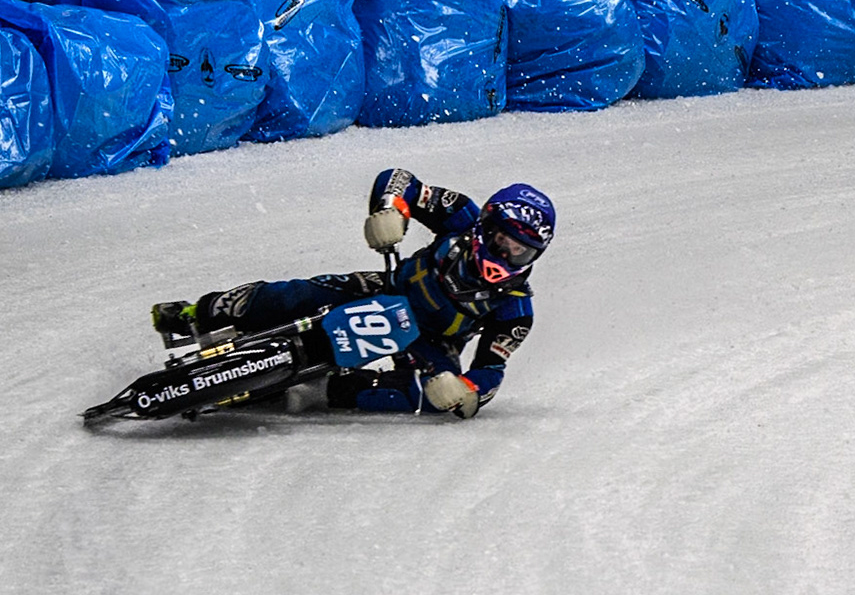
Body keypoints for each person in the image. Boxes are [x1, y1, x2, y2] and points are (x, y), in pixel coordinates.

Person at [149, 169, 554, 419]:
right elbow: (401, 180)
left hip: (429, 342)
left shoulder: (515, 309)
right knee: (297, 296)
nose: (508, 256)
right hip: (391, 287)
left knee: (424, 400)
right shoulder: (461, 215)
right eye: (504, 242)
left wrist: (466, 391)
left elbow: (491, 373)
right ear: (486, 226)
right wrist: (391, 210)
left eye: (523, 251)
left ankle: (312, 393)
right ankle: (200, 313)